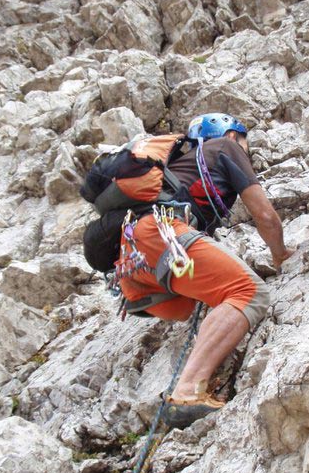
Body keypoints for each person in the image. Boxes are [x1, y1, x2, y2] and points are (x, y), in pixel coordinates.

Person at [118, 113, 292, 428]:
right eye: (245, 141)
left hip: (133, 263)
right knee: (249, 293)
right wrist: (281, 256)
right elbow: (265, 215)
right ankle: (186, 391)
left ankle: (188, 383)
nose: (246, 148)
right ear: (232, 133)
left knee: (210, 299)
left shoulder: (178, 170)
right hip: (161, 237)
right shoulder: (226, 146)